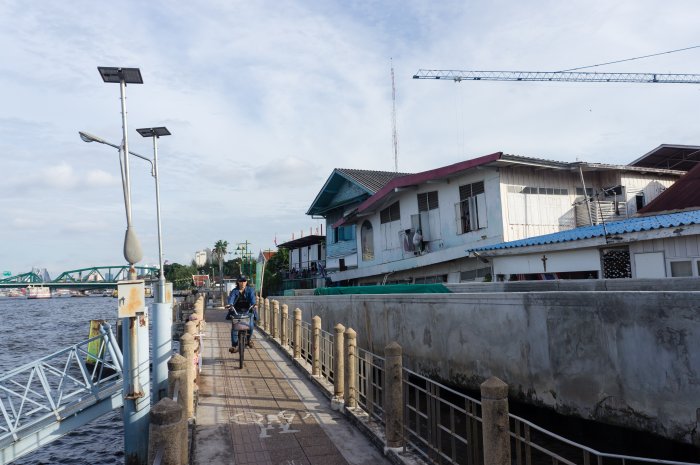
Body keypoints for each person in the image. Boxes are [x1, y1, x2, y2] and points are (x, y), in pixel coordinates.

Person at [225, 275, 257, 353]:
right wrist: (230, 305)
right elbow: (231, 298)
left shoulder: (250, 290)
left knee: (251, 326)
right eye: (241, 281)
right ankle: (234, 345)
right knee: (235, 328)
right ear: (238, 282)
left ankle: (249, 340)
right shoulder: (234, 291)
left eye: (244, 281)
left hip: (248, 310)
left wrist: (254, 304)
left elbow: (252, 298)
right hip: (237, 311)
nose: (242, 283)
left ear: (246, 282)